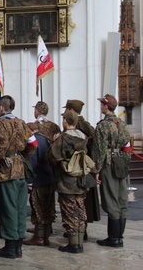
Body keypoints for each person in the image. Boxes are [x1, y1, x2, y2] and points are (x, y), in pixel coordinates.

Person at [0, 95, 37, 259]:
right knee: (20, 208)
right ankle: (17, 246)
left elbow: (1, 146)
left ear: (1, 108)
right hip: (20, 167)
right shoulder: (21, 122)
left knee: (7, 208)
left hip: (6, 169)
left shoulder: (1, 123)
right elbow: (33, 143)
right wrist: (22, 157)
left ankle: (10, 246)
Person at [92, 94, 131, 248]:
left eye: (102, 104)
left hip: (108, 162)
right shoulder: (121, 123)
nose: (101, 106)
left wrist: (96, 169)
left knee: (111, 199)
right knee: (122, 199)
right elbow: (127, 143)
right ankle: (119, 236)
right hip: (120, 161)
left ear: (106, 106)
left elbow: (99, 149)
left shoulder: (103, 125)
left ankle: (113, 238)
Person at [48, 111, 89, 253]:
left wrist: (54, 141)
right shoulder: (83, 137)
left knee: (69, 211)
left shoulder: (63, 138)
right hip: (80, 179)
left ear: (66, 121)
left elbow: (52, 156)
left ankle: (73, 244)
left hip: (66, 180)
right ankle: (79, 241)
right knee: (80, 210)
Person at [63, 99, 100, 238]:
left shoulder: (78, 125)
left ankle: (78, 231)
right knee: (82, 201)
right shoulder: (86, 125)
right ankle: (78, 230)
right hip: (84, 167)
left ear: (71, 110)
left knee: (76, 202)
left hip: (76, 168)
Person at [22, 122, 55, 247]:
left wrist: (29, 181)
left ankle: (39, 237)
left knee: (38, 208)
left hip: (38, 178)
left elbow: (32, 161)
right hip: (49, 178)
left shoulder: (33, 141)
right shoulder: (46, 140)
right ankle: (45, 236)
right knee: (47, 207)